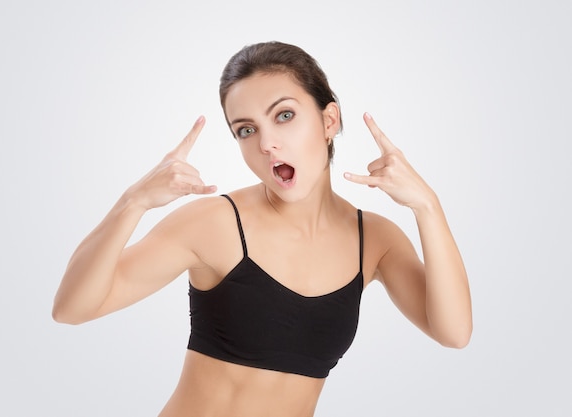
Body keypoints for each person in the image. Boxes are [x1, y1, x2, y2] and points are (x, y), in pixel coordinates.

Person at [52, 41, 472, 416]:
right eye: (246, 130)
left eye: (284, 116)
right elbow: (72, 309)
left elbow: (453, 333)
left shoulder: (375, 240)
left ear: (329, 122)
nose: (266, 143)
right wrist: (134, 201)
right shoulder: (214, 223)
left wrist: (427, 207)